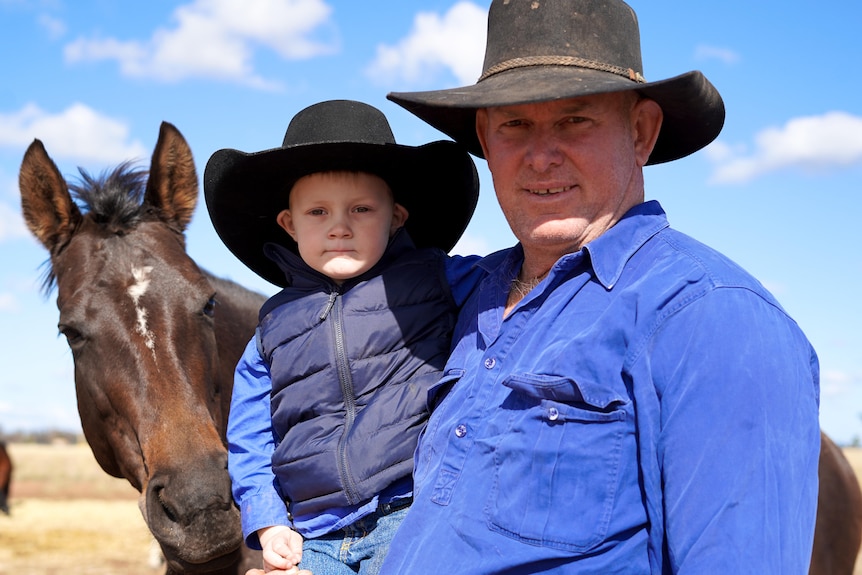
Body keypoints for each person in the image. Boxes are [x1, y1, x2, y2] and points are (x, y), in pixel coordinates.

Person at [375, 1, 821, 573]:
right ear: (485, 139)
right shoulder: (463, 295)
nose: (540, 157)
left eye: (574, 121)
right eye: (514, 125)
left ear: (641, 132)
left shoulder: (715, 318)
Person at [203, 99, 482, 575]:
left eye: (361, 209)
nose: (339, 227)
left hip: (410, 512)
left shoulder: (440, 281)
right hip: (313, 533)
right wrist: (269, 523)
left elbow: (529, 283)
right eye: (317, 212)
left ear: (396, 217)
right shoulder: (270, 331)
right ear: (289, 225)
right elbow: (250, 439)